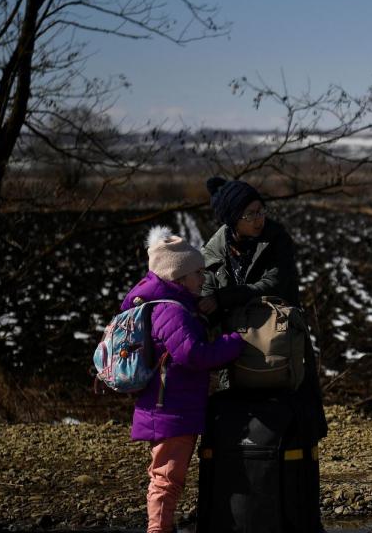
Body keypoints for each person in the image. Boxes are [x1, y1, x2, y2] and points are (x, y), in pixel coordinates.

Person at [198, 176, 329, 529]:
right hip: (237, 358)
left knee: (298, 429)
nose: (259, 218)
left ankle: (299, 519)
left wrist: (227, 299)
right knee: (242, 438)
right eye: (250, 214)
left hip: (282, 351)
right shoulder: (214, 251)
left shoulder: (276, 238)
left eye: (260, 210)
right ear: (232, 220)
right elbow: (204, 294)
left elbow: (276, 283)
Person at [125, 226, 244, 533]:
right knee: (167, 478)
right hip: (171, 410)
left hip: (169, 407)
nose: (204, 279)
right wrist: (235, 343)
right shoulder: (171, 311)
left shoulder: (167, 305)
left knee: (166, 476)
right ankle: (158, 530)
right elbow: (193, 355)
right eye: (198, 273)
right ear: (179, 277)